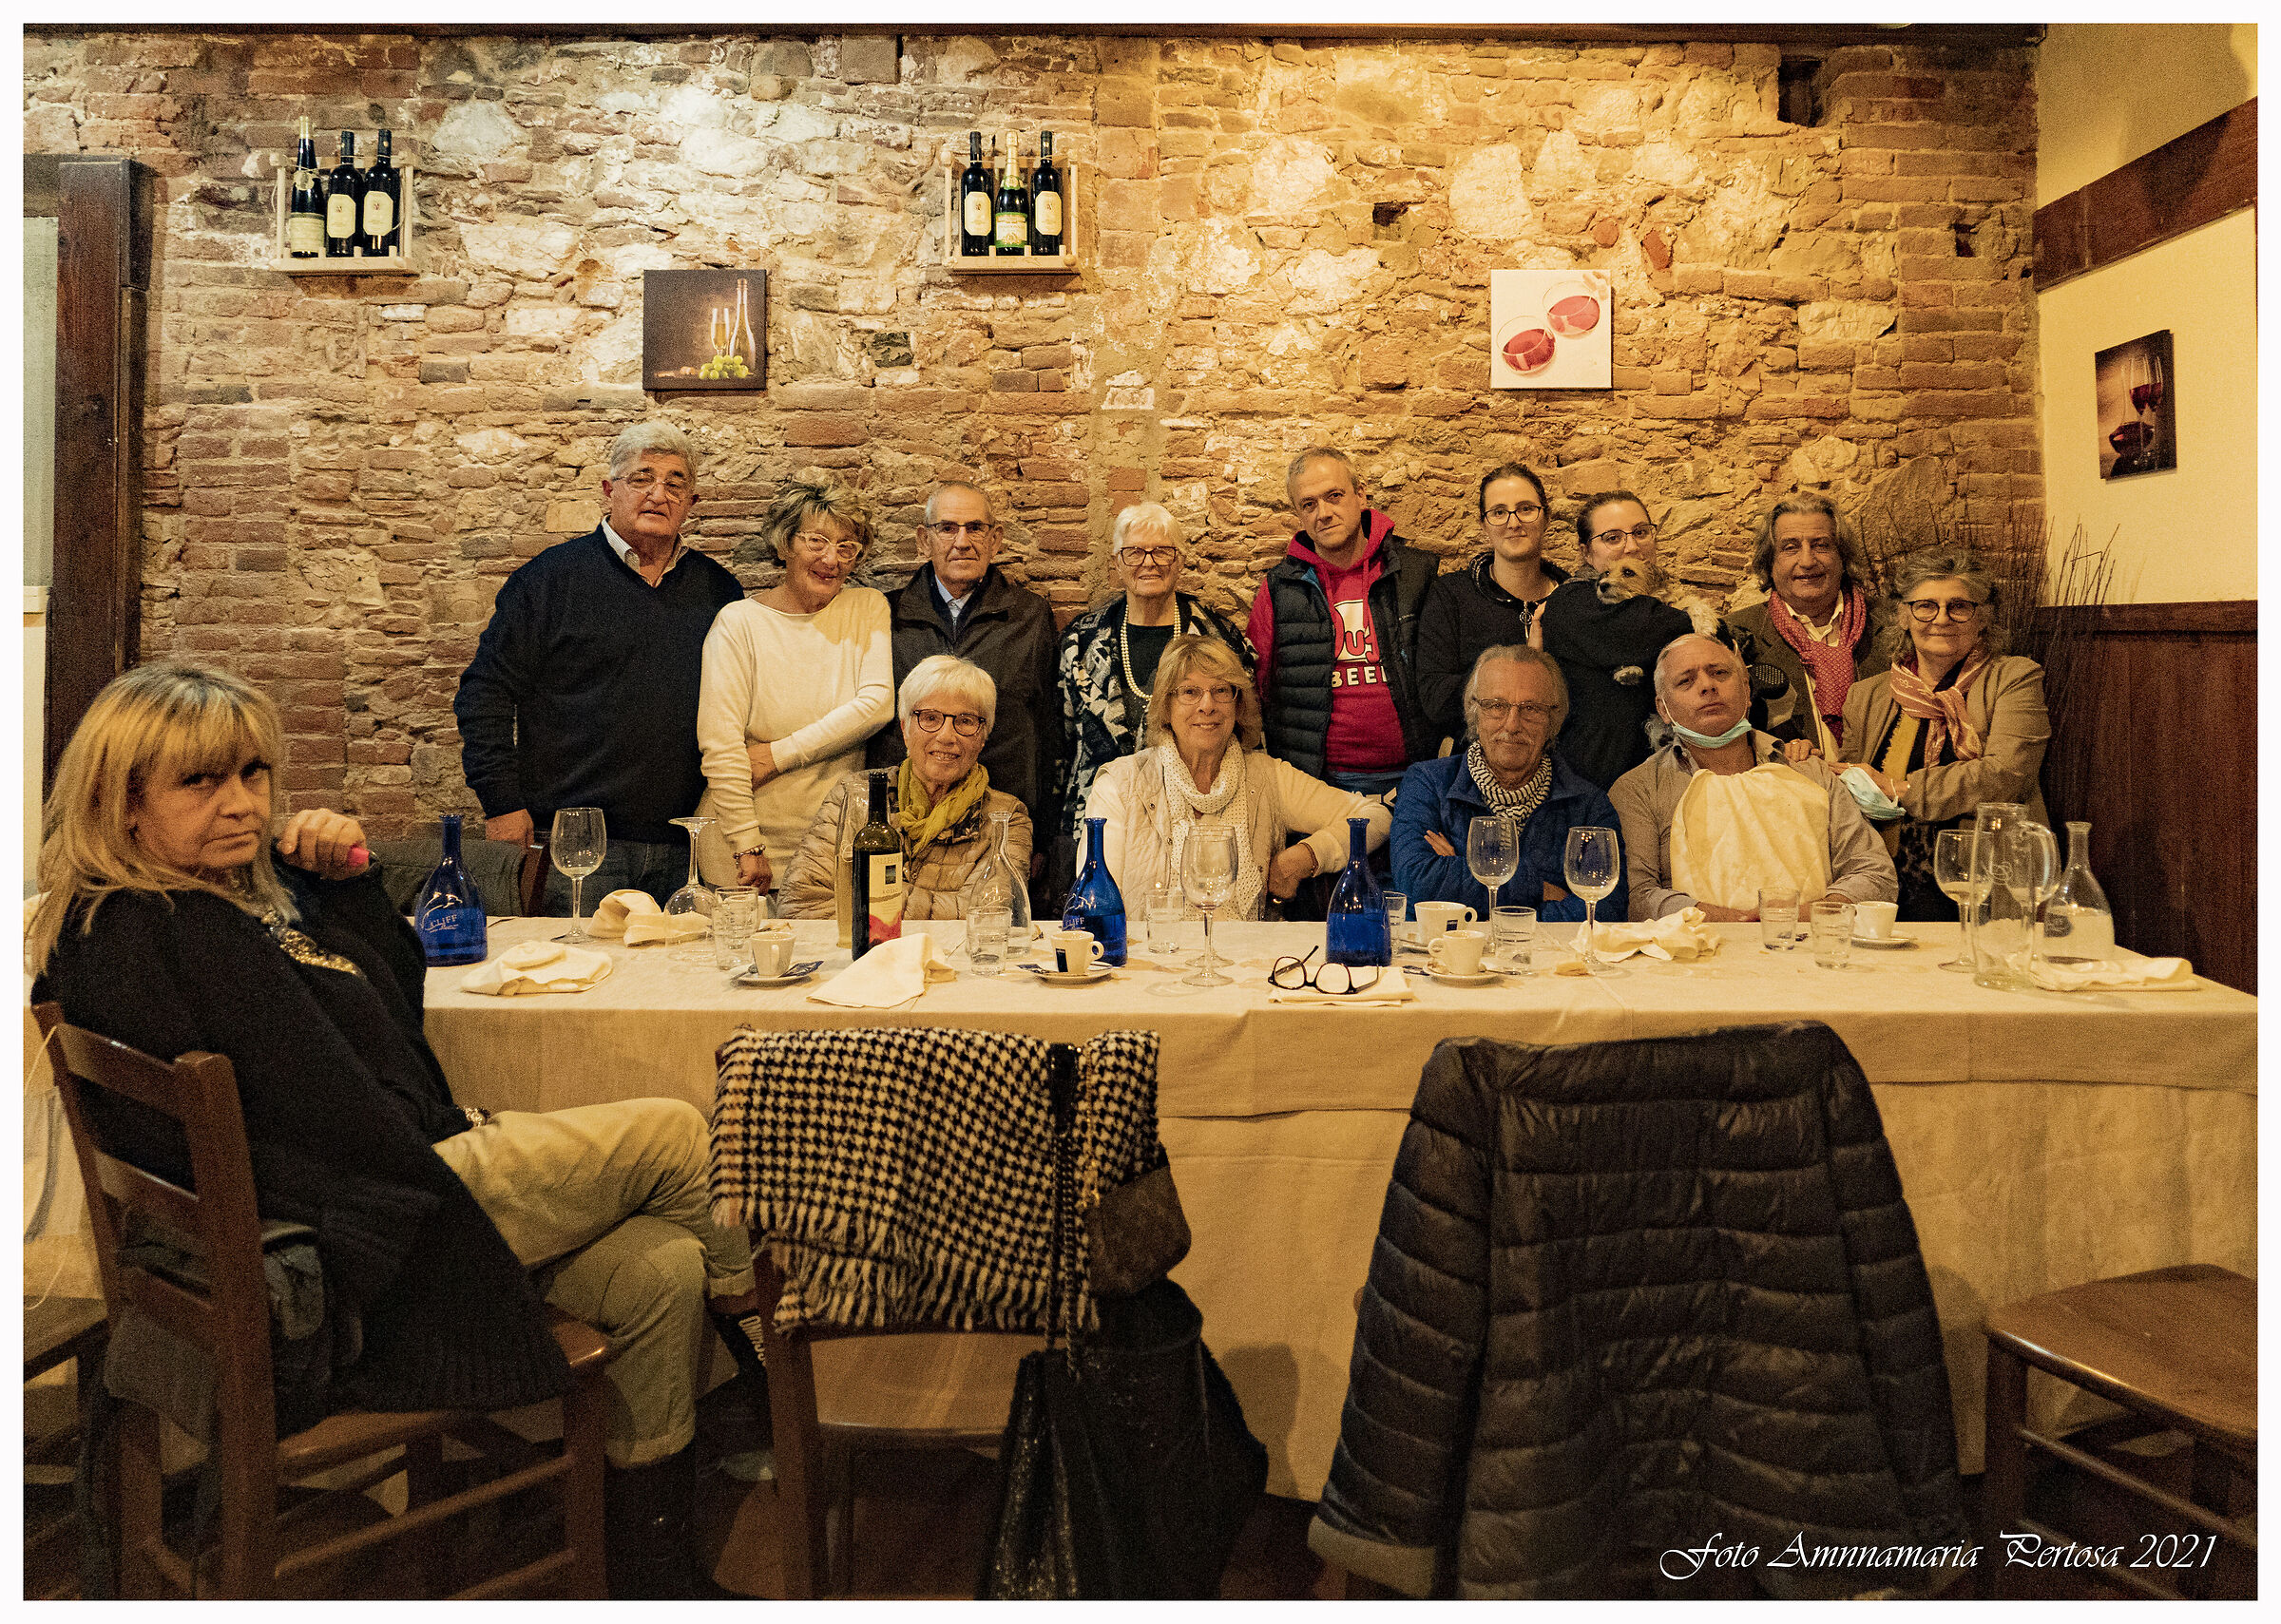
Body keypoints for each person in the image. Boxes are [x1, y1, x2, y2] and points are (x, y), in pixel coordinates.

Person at [29, 662, 761, 1597]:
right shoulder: (149, 926)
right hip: (357, 1253)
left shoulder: (228, 905)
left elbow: (391, 1015)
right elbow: (341, 1125)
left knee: (665, 1263)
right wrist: (458, 1140)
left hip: (381, 1194)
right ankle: (766, 1346)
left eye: (254, 773)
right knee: (671, 1129)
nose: (242, 802)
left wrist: (340, 884)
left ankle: (652, 1571)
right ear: (123, 801)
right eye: (201, 780)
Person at [453, 420, 743, 911]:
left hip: (691, 842)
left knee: (686, 981)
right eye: (641, 478)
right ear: (610, 490)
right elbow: (484, 692)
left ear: (691, 503)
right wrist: (502, 802)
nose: (659, 493)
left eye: (676, 483)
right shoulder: (549, 580)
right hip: (580, 844)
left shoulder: (718, 590)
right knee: (579, 978)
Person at [1083, 635, 1390, 919]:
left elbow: (1374, 817)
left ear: (1237, 703)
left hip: (1247, 964)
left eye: (1221, 691)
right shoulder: (1120, 786)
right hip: (1150, 965)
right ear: (1166, 706)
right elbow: (1096, 909)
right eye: (1190, 692)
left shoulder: (1266, 776)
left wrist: (1305, 857)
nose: (1208, 706)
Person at [1824, 548, 2051, 921]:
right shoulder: (1866, 694)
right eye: (1925, 605)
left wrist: (1900, 790)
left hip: (1985, 883)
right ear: (1902, 615)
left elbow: (2006, 774)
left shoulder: (2015, 678)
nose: (1941, 619)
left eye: (1959, 606)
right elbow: (1852, 781)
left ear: (1982, 618)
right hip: (1884, 888)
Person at [695, 480, 892, 897]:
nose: (831, 559)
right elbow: (721, 743)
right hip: (740, 842)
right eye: (816, 541)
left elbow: (877, 705)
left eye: (847, 547)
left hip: (829, 845)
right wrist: (746, 843)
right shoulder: (738, 623)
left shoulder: (867, 607)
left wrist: (776, 754)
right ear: (785, 544)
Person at [1610, 634, 1897, 921]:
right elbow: (1638, 896)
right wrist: (1740, 922)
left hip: (1815, 948)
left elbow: (1874, 873)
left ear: (1747, 692)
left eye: (1719, 673)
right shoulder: (1640, 789)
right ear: (1664, 709)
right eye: (1685, 681)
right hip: (1693, 956)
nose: (1707, 686)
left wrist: (1801, 916)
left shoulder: (1809, 770)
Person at [869, 482, 1063, 860]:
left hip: (999, 823)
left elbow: (1049, 728)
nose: (962, 541)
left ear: (995, 539)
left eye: (975, 528)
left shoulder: (1029, 616)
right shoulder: (885, 615)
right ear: (924, 540)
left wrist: (1044, 833)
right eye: (947, 528)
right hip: (903, 820)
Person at [1054, 502, 1252, 844]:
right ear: (1117, 562)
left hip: (1194, 820)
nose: (1148, 562)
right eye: (1134, 552)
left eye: (1162, 552)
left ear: (1180, 561)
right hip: (1097, 821)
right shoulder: (1081, 641)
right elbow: (1064, 739)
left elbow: (1247, 727)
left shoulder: (1219, 637)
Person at [1245, 448, 1437, 797]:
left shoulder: (1414, 573)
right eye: (1309, 504)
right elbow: (1255, 686)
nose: (1324, 513)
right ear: (1299, 514)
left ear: (1361, 495)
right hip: (1318, 785)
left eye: (1334, 496)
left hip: (1415, 779)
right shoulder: (1280, 587)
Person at [783, 654, 1031, 922]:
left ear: (983, 737)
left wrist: (869, 897)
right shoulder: (854, 795)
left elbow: (992, 916)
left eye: (966, 721)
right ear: (905, 729)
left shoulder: (1006, 818)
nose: (947, 736)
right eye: (930, 718)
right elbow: (801, 906)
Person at [1390, 646, 1620, 923]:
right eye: (1496, 706)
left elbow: (1604, 912)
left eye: (1531, 709)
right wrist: (1540, 889)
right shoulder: (1427, 783)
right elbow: (1418, 881)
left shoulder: (1589, 805)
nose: (1512, 725)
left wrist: (1459, 869)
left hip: (1552, 962)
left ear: (1553, 719)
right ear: (1474, 711)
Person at [1536, 488, 1697, 793]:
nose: (1632, 546)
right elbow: (1651, 628)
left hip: (1676, 785)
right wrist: (1691, 622)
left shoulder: (1662, 597)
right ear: (1586, 552)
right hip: (1595, 789)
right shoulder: (1571, 600)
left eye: (1641, 532)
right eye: (1613, 538)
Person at [1413, 463, 1569, 747]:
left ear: (1546, 517)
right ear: (1484, 523)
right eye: (1499, 512)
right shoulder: (1452, 596)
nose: (1513, 522)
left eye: (1525, 508)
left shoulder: (1573, 602)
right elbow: (1435, 697)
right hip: (1475, 765)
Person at [1724, 492, 1892, 754]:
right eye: (1790, 547)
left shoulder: (1893, 625)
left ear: (1843, 557)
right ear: (1769, 562)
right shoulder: (1736, 636)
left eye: (1821, 545)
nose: (1807, 561)